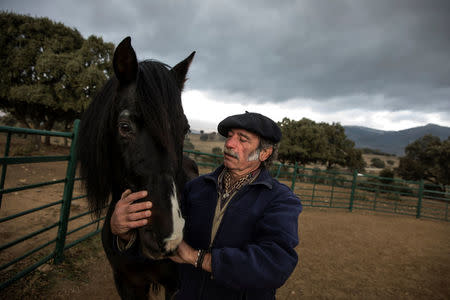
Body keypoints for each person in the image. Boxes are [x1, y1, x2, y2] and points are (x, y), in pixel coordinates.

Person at [111, 111, 302, 299]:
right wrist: (125, 233)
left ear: (265, 153)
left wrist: (198, 258)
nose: (229, 144)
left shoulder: (281, 200)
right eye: (229, 136)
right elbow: (166, 242)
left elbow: (275, 264)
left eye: (242, 140)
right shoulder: (196, 188)